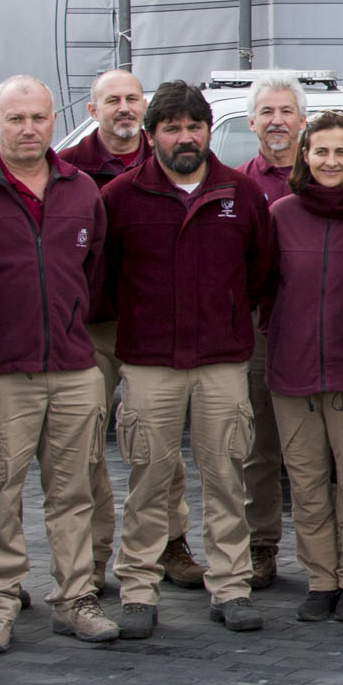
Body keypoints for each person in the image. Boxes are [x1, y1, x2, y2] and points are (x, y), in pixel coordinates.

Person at [0, 76, 118, 652]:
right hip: (0, 373)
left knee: (74, 493)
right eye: (16, 119)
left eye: (38, 118)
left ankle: (76, 597)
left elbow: (92, 274)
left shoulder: (81, 190)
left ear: (53, 120)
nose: (28, 129)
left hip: (72, 368)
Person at [99, 81, 279, 634]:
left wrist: (225, 314)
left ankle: (231, 586)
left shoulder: (241, 195)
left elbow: (260, 272)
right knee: (148, 480)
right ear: (151, 134)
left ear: (208, 130)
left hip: (222, 363)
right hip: (149, 364)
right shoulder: (121, 197)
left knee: (226, 477)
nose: (184, 137)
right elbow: (105, 278)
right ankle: (138, 589)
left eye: (194, 127)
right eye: (172, 128)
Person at [56, 68, 186, 583]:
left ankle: (169, 542)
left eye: (133, 98)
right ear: (93, 111)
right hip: (92, 326)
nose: (125, 108)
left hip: (153, 324)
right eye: (112, 100)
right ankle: (93, 553)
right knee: (86, 440)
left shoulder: (171, 162)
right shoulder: (67, 169)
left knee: (159, 438)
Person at [265, 109, 343, 623]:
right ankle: (321, 579)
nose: (331, 161)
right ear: (305, 156)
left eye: (341, 151)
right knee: (307, 485)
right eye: (321, 151)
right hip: (292, 373)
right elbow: (264, 287)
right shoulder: (281, 214)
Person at [232, 72, 308, 589]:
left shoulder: (327, 174)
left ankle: (327, 552)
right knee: (257, 447)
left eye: (285, 111)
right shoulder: (236, 185)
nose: (276, 121)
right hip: (258, 330)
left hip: (316, 329)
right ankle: (260, 546)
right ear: (251, 122)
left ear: (302, 120)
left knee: (317, 452)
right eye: (267, 112)